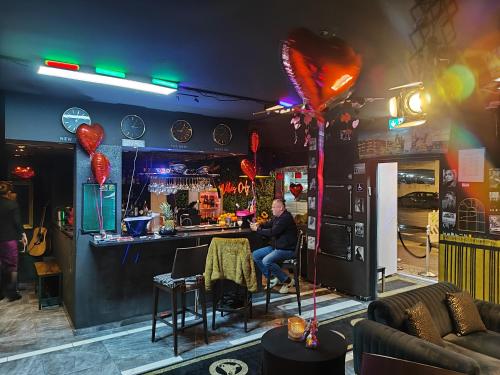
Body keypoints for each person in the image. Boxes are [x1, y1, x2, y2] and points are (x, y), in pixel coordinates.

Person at [251, 199, 297, 294]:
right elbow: (269, 224)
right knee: (255, 255)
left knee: (266, 261)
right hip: (277, 247)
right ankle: (272, 277)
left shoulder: (285, 218)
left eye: (273, 207)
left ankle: (287, 280)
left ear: (280, 208)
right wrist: (259, 224)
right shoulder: (277, 217)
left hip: (286, 249)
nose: (271, 209)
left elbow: (273, 232)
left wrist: (257, 230)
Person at [0, 181, 27, 302]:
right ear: (9, 192)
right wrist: (23, 234)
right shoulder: (12, 205)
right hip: (9, 239)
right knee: (13, 266)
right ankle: (12, 293)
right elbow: (17, 222)